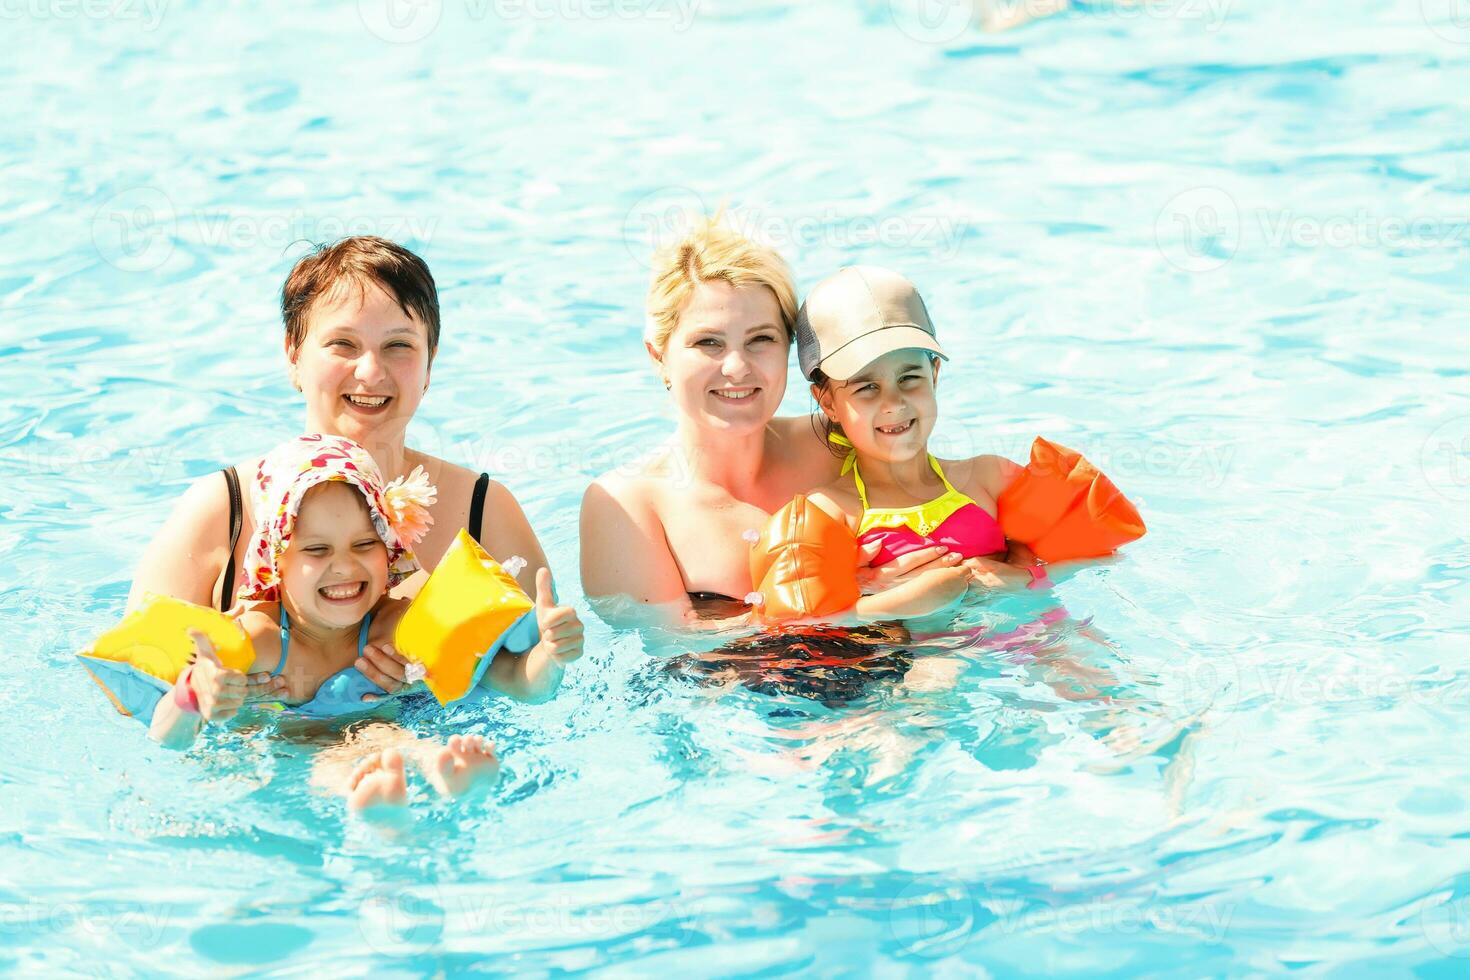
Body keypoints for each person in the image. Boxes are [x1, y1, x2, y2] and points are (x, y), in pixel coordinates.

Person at [128, 236, 566, 701]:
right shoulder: (225, 506)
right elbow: (141, 683)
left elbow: (538, 682)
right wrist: (219, 695)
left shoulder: (483, 510)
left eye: (399, 345)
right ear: (294, 356)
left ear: (429, 366)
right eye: (343, 344)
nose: (371, 372)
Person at [148, 434, 584, 814]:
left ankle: (426, 771)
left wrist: (550, 652)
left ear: (389, 550)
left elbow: (523, 684)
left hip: (379, 737)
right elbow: (166, 735)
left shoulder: (396, 628)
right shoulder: (258, 641)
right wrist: (193, 693)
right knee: (339, 751)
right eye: (318, 550)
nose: (344, 567)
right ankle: (386, 791)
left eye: (364, 544)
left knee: (380, 734)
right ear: (276, 563)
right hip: (278, 756)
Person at [580, 217, 961, 625]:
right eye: (708, 342)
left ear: (789, 350)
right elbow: (666, 643)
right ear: (660, 357)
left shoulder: (838, 442)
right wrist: (834, 599)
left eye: (761, 339)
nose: (737, 367)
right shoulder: (629, 505)